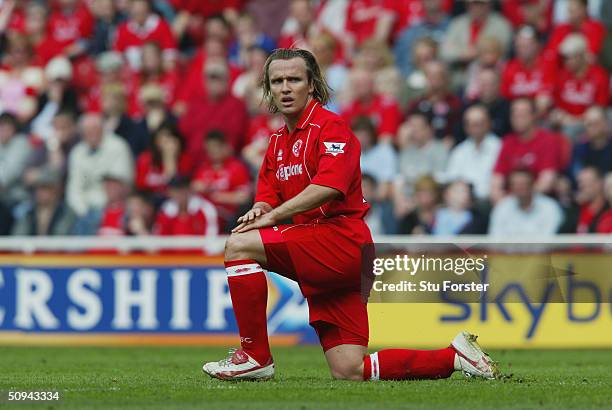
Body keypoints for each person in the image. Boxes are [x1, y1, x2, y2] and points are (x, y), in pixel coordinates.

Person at [201, 48, 499, 382]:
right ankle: (455, 357)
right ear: (269, 89)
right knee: (350, 370)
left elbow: (329, 187)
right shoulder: (276, 144)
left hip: (340, 242)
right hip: (320, 252)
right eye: (277, 81)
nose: (285, 88)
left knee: (238, 246)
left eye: (294, 79)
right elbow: (267, 199)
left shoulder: (331, 128)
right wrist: (261, 209)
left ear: (311, 85)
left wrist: (273, 216)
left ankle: (255, 356)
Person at [489, 169, 563, 236]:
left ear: (533, 184)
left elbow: (550, 239)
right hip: (507, 251)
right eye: (516, 184)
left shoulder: (550, 207)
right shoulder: (502, 207)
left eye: (524, 184)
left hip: (542, 251)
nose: (520, 188)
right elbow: (495, 238)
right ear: (510, 187)